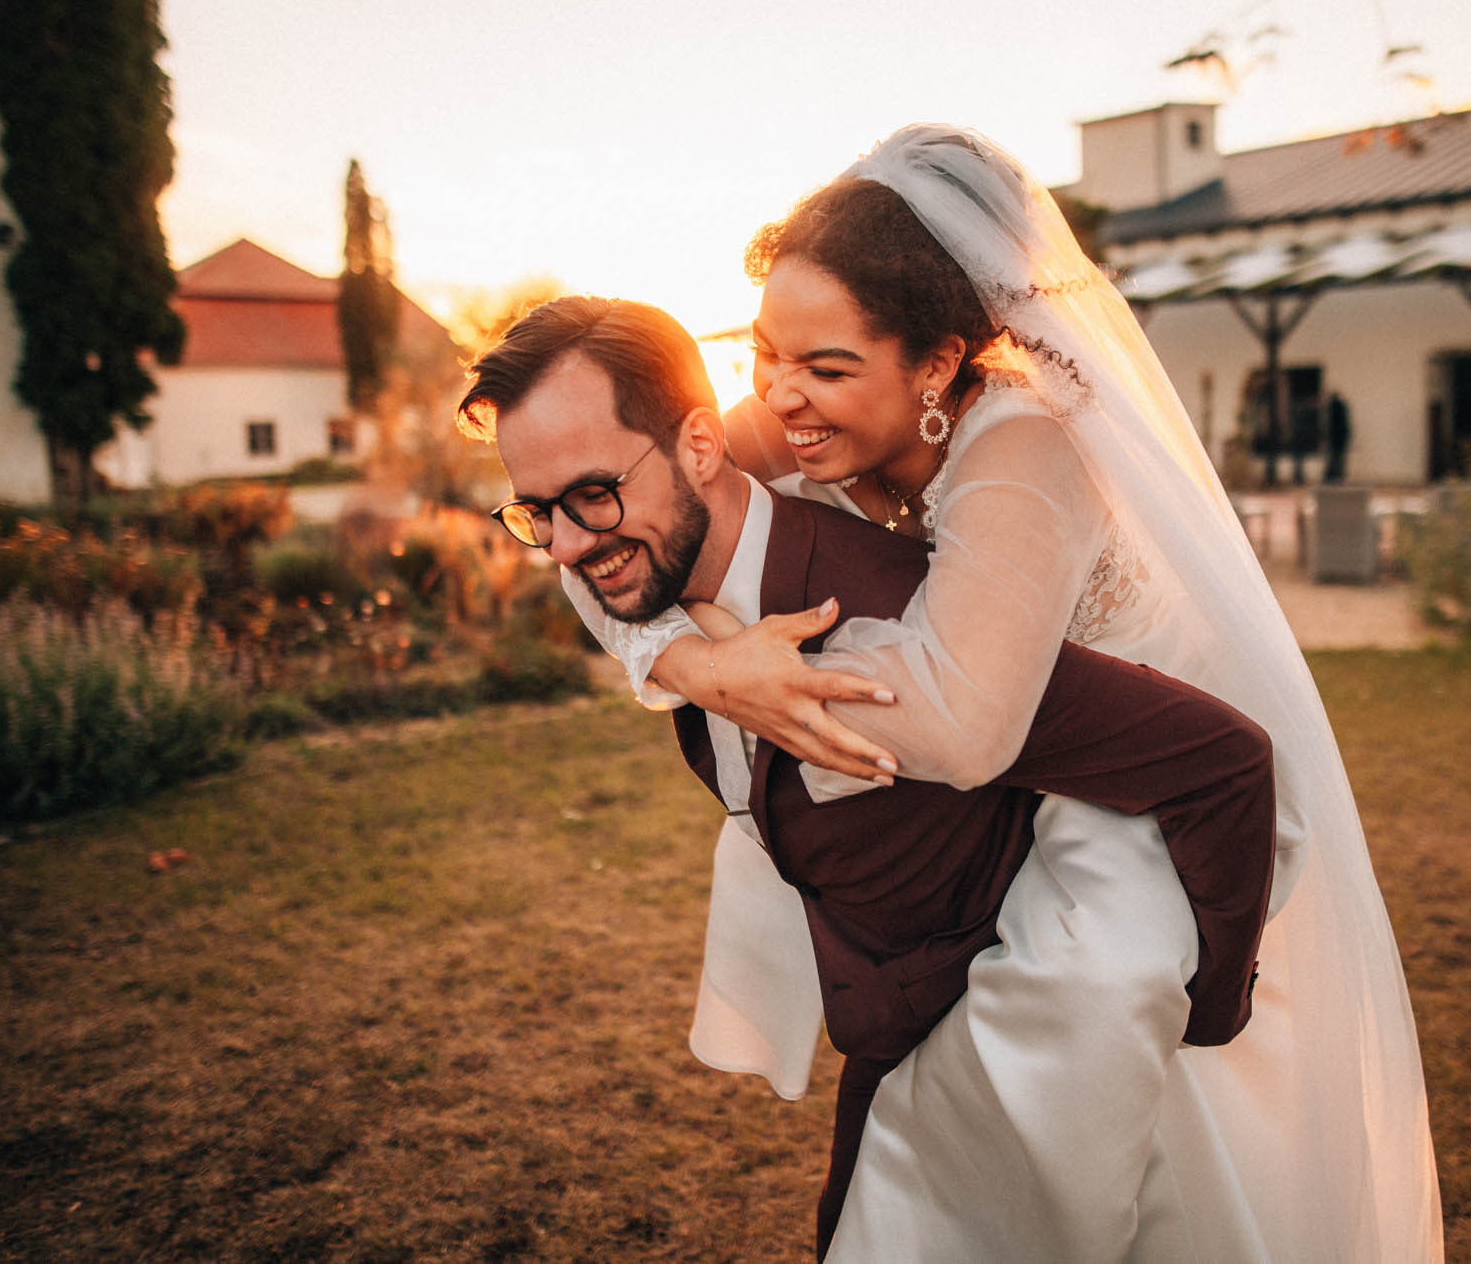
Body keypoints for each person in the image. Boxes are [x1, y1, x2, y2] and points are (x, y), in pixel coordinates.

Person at [585, 126, 1442, 1262]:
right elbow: (597, 531)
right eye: (763, 353)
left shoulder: (1025, 446)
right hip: (1004, 800)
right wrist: (694, 663)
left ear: (936, 363)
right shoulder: (786, 424)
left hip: (1142, 800)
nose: (782, 396)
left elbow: (964, 723)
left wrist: (769, 679)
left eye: (826, 368)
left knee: (1074, 1028)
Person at [457, 296, 1281, 1258]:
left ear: (700, 445)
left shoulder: (911, 625)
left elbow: (1222, 762)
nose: (563, 546)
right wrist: (701, 664)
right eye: (535, 512)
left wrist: (1209, 1009)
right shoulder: (651, 584)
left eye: (592, 496)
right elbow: (590, 562)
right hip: (886, 1040)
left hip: (1012, 1056)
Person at [1325, 388, 1353, 483]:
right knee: (1339, 458)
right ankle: (1338, 476)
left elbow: (1332, 424)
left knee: (1335, 457)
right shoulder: (1342, 406)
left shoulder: (1334, 407)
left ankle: (1333, 476)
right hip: (1341, 437)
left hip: (1336, 437)